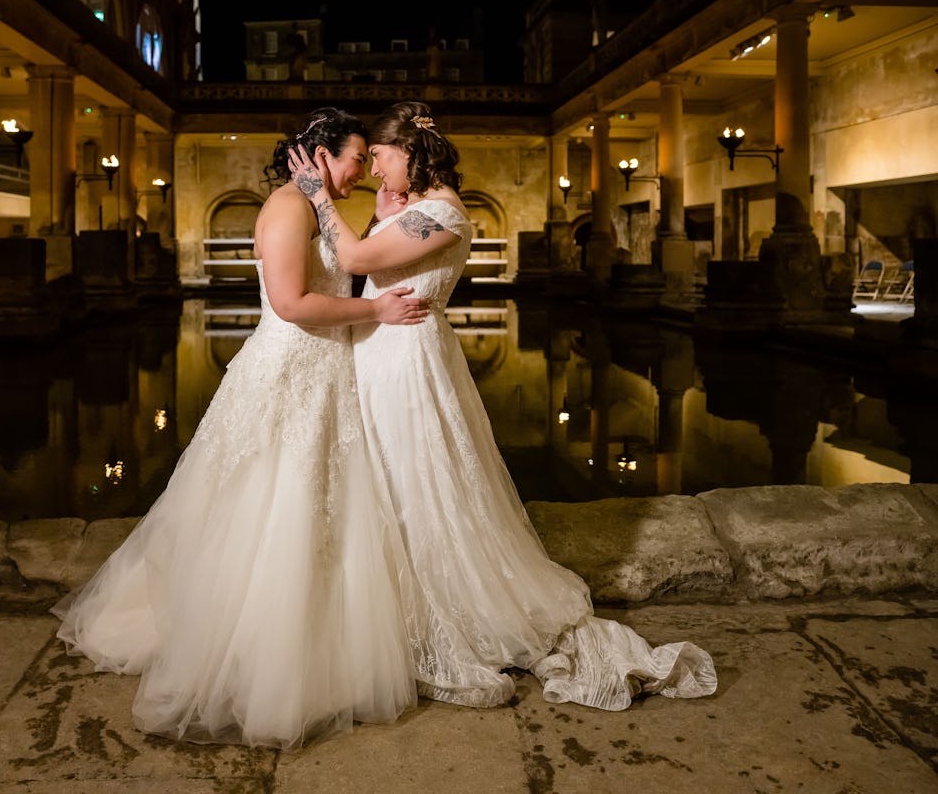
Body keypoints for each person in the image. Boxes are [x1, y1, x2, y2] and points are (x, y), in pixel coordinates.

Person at [289, 101, 717, 710]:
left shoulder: (443, 215)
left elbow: (355, 261)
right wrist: (385, 214)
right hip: (382, 349)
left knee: (413, 477)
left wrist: (319, 196)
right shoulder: (414, 209)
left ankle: (435, 610)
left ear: (408, 152)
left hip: (405, 361)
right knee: (382, 478)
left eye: (381, 160)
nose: (377, 174)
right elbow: (374, 260)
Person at [53, 107, 430, 749]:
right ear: (318, 154)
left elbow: (356, 256)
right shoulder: (286, 208)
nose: (363, 169)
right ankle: (259, 653)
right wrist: (374, 310)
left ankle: (326, 638)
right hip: (289, 370)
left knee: (329, 505)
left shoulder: (323, 209)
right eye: (356, 157)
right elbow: (290, 302)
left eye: (369, 159)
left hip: (330, 371)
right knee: (273, 501)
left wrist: (391, 206)